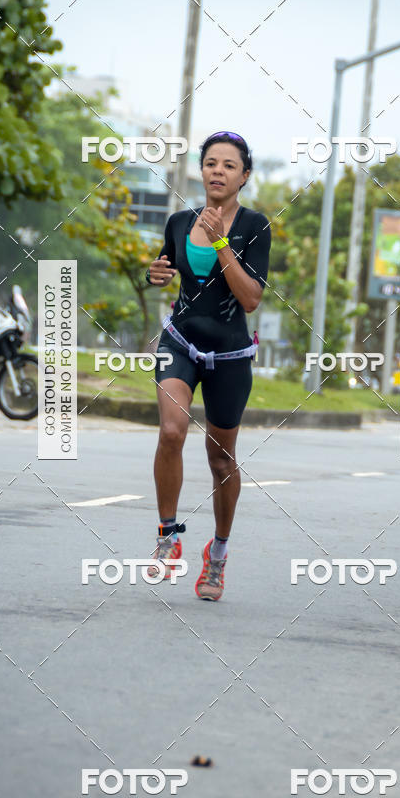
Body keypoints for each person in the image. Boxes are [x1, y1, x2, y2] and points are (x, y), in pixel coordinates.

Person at [145, 132, 271, 600]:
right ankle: (166, 536)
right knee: (172, 431)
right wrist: (154, 274)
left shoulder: (255, 226)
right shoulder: (179, 221)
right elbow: (166, 269)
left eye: (229, 165)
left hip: (231, 356)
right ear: (202, 170)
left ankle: (216, 555)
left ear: (244, 176)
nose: (218, 171)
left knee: (220, 458)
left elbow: (252, 299)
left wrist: (222, 243)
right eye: (211, 163)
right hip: (178, 341)